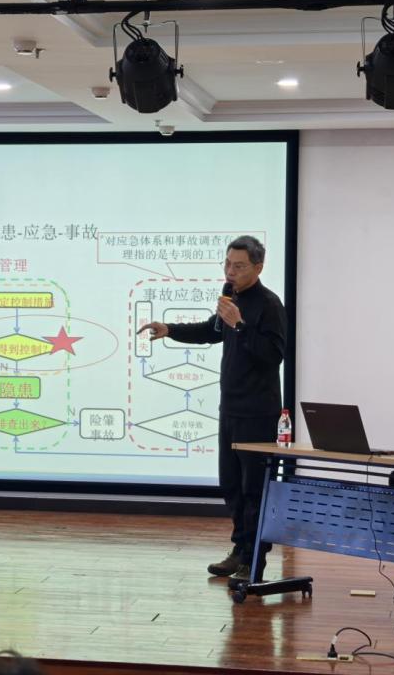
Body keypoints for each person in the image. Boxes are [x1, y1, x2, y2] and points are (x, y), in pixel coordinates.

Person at [138, 235, 286, 582]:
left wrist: (240, 325)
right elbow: (211, 331)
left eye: (239, 266)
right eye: (227, 264)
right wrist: (170, 329)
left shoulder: (269, 304)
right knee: (231, 485)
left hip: (258, 413)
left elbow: (273, 355)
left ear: (258, 267)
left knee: (254, 491)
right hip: (230, 408)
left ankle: (254, 562)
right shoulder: (231, 297)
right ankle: (239, 551)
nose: (230, 271)